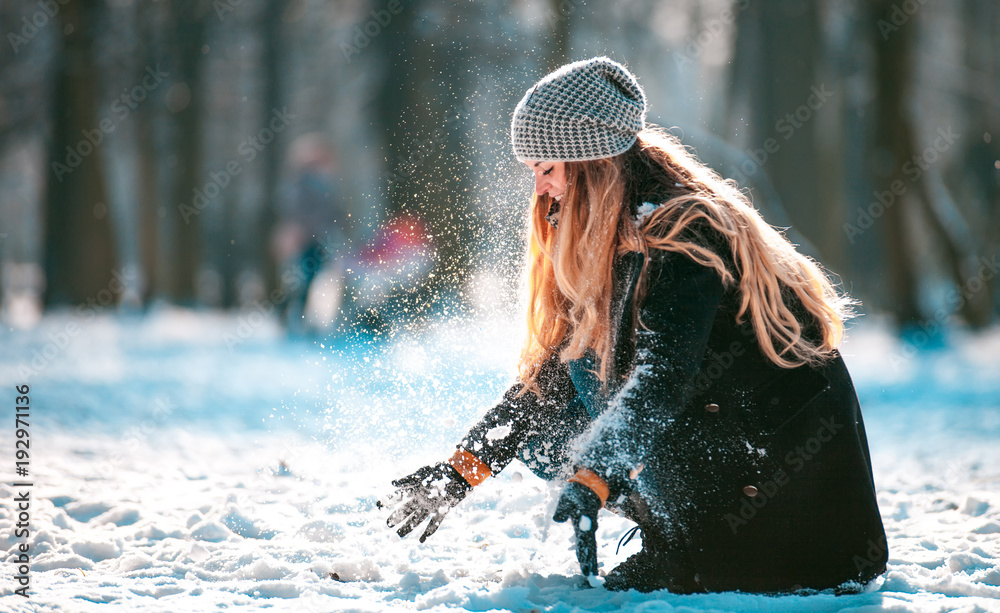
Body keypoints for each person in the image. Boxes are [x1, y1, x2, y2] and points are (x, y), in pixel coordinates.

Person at [385, 57, 888, 594]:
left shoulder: (683, 232)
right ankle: (683, 536)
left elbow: (661, 376)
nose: (541, 191)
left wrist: (597, 476)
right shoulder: (617, 232)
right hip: (729, 457)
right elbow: (553, 381)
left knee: (589, 424)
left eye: (548, 169)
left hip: (797, 514)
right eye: (533, 172)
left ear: (591, 162)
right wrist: (459, 471)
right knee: (554, 421)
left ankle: (705, 551)